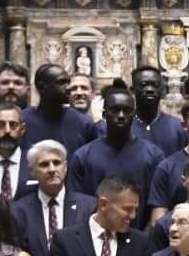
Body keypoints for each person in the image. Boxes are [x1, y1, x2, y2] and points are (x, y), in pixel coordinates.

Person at [68, 86, 165, 228]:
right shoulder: (82, 156)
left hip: (139, 236)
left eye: (127, 110)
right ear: (104, 114)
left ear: (134, 114)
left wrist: (144, 237)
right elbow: (77, 206)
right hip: (95, 236)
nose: (121, 115)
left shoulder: (154, 155)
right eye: (115, 110)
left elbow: (157, 205)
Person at [22, 64, 97, 155]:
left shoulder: (83, 123)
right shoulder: (22, 121)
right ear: (42, 86)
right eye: (61, 83)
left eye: (68, 82)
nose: (68, 87)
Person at [114, 66, 187, 156]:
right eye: (144, 85)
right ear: (132, 90)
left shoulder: (177, 127)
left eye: (155, 85)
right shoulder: (122, 126)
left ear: (162, 90)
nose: (150, 89)